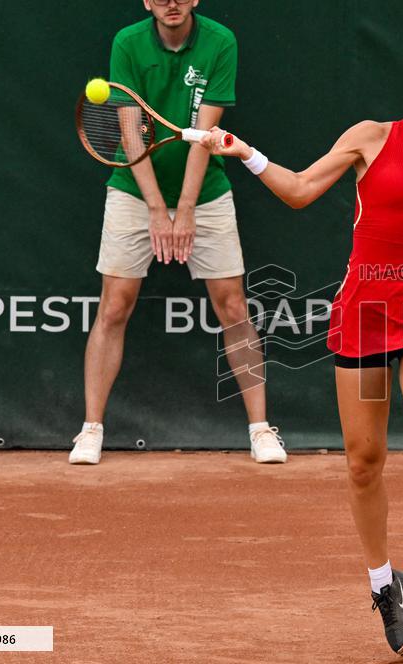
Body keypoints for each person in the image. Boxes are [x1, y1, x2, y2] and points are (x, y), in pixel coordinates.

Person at [202, 42, 403, 656]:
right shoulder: (369, 137)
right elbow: (299, 190)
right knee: (365, 462)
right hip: (367, 314)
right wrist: (245, 153)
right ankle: (384, 585)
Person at [69, 0, 287, 465]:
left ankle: (261, 429)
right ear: (147, 1)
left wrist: (184, 209)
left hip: (205, 192)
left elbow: (205, 136)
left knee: (233, 305)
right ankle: (90, 429)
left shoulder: (219, 41)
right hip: (132, 189)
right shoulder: (127, 43)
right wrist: (156, 209)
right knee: (114, 305)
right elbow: (130, 135)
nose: (172, 2)